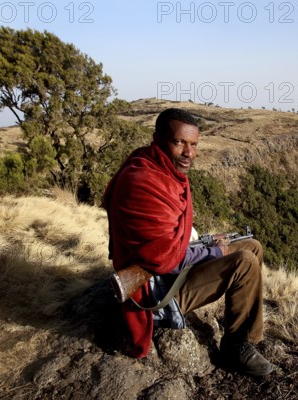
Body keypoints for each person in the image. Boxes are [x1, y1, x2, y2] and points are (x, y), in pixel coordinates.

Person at [102, 108, 273, 376]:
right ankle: (234, 347)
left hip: (169, 274)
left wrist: (206, 247)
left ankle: (246, 335)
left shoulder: (160, 170)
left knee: (253, 246)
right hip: (156, 291)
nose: (189, 153)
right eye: (179, 142)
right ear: (157, 138)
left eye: (193, 145)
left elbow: (170, 242)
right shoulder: (142, 183)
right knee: (245, 262)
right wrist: (213, 252)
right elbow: (164, 261)